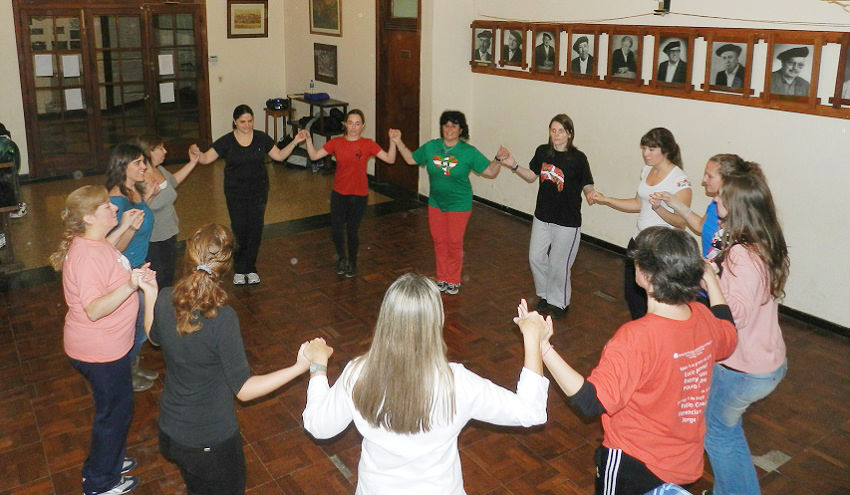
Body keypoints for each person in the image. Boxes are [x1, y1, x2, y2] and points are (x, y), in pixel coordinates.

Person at [301, 273, 550, 495]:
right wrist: (531, 337)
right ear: (437, 321)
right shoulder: (457, 383)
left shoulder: (358, 373)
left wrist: (319, 365)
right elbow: (531, 411)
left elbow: (319, 426)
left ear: (386, 319)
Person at [536, 226, 737, 495]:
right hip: (684, 464)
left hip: (634, 463)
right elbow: (729, 331)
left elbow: (589, 402)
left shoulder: (636, 338)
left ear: (643, 274)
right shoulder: (702, 317)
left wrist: (542, 347)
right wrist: (711, 279)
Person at [151, 224, 316, 495]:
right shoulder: (222, 318)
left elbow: (154, 337)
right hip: (208, 442)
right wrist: (299, 367)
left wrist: (148, 293)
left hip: (171, 433)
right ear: (226, 267)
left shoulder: (166, 298)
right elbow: (244, 390)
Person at [50, 185, 159, 495]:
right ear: (88, 217)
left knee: (113, 410)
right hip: (99, 351)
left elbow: (110, 252)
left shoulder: (94, 242)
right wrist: (131, 285)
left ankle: (106, 460)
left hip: (107, 348)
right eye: (107, 208)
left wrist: (125, 227)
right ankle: (100, 482)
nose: (114, 208)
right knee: (114, 414)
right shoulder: (85, 256)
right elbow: (95, 309)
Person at [703, 168, 790, 495]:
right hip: (766, 360)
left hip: (742, 369)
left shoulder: (741, 252)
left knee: (717, 435)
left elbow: (734, 314)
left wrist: (709, 277)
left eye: (720, 195)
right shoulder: (764, 237)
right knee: (726, 430)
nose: (714, 198)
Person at [191, 104, 306, 286]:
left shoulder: (261, 138)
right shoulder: (227, 141)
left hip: (258, 192)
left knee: (255, 229)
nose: (247, 125)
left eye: (250, 121)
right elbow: (206, 159)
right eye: (243, 122)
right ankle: (240, 268)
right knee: (239, 230)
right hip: (235, 193)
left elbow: (279, 156)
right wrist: (197, 154)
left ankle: (251, 268)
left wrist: (295, 141)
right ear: (235, 122)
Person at [391, 110, 502, 295]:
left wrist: (498, 160)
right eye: (446, 125)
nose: (449, 129)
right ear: (442, 127)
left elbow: (490, 172)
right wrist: (398, 141)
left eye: (454, 125)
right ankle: (442, 277)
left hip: (459, 204)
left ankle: (453, 279)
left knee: (454, 241)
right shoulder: (431, 147)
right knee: (439, 240)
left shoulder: (468, 152)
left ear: (461, 129)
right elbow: (411, 159)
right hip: (436, 202)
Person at [497, 114, 595, 318]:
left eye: (561, 131)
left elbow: (587, 184)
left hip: (567, 221)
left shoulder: (578, 159)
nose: (556, 135)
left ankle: (560, 302)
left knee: (559, 264)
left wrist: (591, 194)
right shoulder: (543, 152)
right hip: (542, 216)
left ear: (569, 133)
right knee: (536, 257)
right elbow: (532, 176)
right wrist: (513, 165)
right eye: (553, 130)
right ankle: (545, 294)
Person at [590, 128, 692, 319]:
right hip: (638, 241)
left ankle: (655, 336)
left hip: (659, 249)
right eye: (644, 148)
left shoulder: (679, 181)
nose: (646, 154)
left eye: (651, 149)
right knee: (633, 294)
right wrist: (606, 200)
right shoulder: (647, 171)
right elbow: (638, 203)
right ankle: (642, 331)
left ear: (666, 150)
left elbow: (681, 223)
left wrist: (660, 209)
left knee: (657, 298)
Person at [301, 109, 399, 277]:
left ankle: (352, 262)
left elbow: (390, 159)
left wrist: (394, 142)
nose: (353, 127)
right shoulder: (336, 143)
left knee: (352, 231)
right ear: (345, 124)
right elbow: (315, 155)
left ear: (363, 126)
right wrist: (308, 140)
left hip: (359, 195)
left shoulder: (368, 144)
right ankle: (341, 258)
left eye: (357, 123)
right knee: (337, 230)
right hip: (339, 193)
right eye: (350, 123)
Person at [106, 143, 159, 392]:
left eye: (143, 161)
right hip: (127, 271)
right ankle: (126, 372)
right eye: (137, 162)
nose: (144, 166)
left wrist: (146, 199)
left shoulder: (133, 191)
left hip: (138, 265)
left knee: (138, 323)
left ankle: (133, 366)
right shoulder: (117, 199)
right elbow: (115, 247)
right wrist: (130, 228)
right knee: (135, 325)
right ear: (122, 166)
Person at [650, 154, 765, 259]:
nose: (703, 180)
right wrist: (673, 203)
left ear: (727, 180)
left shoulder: (738, 212)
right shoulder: (716, 202)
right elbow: (702, 226)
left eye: (709, 176)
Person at [130, 135, 202, 288]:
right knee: (158, 278)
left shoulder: (159, 170)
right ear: (150, 151)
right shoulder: (140, 179)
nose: (165, 151)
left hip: (169, 232)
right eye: (160, 148)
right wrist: (150, 197)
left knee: (169, 275)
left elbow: (173, 182)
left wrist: (193, 162)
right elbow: (138, 211)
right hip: (154, 238)